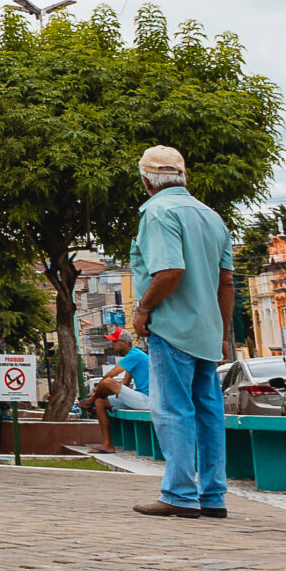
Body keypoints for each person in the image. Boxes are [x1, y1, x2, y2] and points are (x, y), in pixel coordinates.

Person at [128, 145, 236, 519]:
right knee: (208, 414)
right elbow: (226, 284)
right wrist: (222, 333)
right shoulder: (212, 217)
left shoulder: (158, 212)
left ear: (146, 180)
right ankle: (213, 495)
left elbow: (170, 271)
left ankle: (179, 494)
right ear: (183, 176)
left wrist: (143, 309)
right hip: (207, 334)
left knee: (173, 411)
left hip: (173, 330)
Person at [87, 337, 154, 442]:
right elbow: (125, 383)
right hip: (140, 398)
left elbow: (110, 375)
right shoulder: (133, 357)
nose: (111, 344)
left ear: (125, 343)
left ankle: (90, 400)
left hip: (148, 400)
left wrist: (97, 389)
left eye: (114, 341)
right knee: (100, 402)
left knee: (108, 381)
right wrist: (108, 393)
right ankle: (107, 444)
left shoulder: (135, 355)